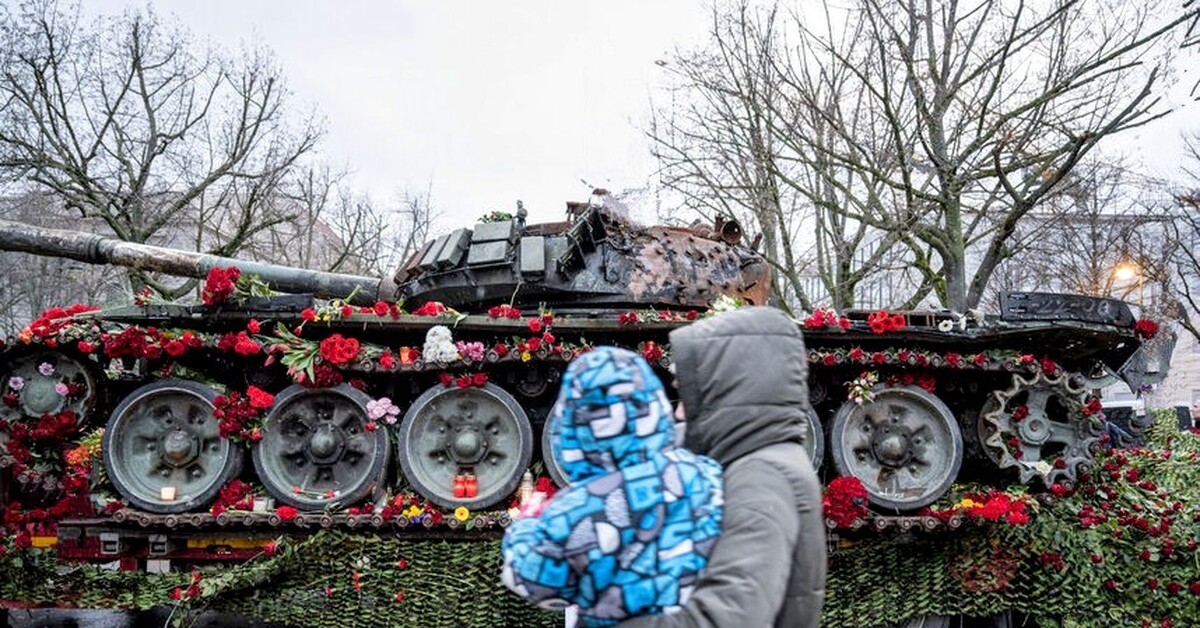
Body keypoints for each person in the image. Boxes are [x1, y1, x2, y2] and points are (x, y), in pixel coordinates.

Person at [616, 306, 826, 628]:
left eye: (689, 395)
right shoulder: (759, 460)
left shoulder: (761, 476)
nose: (680, 413)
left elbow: (730, 618)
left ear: (727, 388)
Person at [501, 346, 724, 626]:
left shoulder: (581, 507)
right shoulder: (703, 472)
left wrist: (526, 522)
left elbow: (531, 579)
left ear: (574, 421)